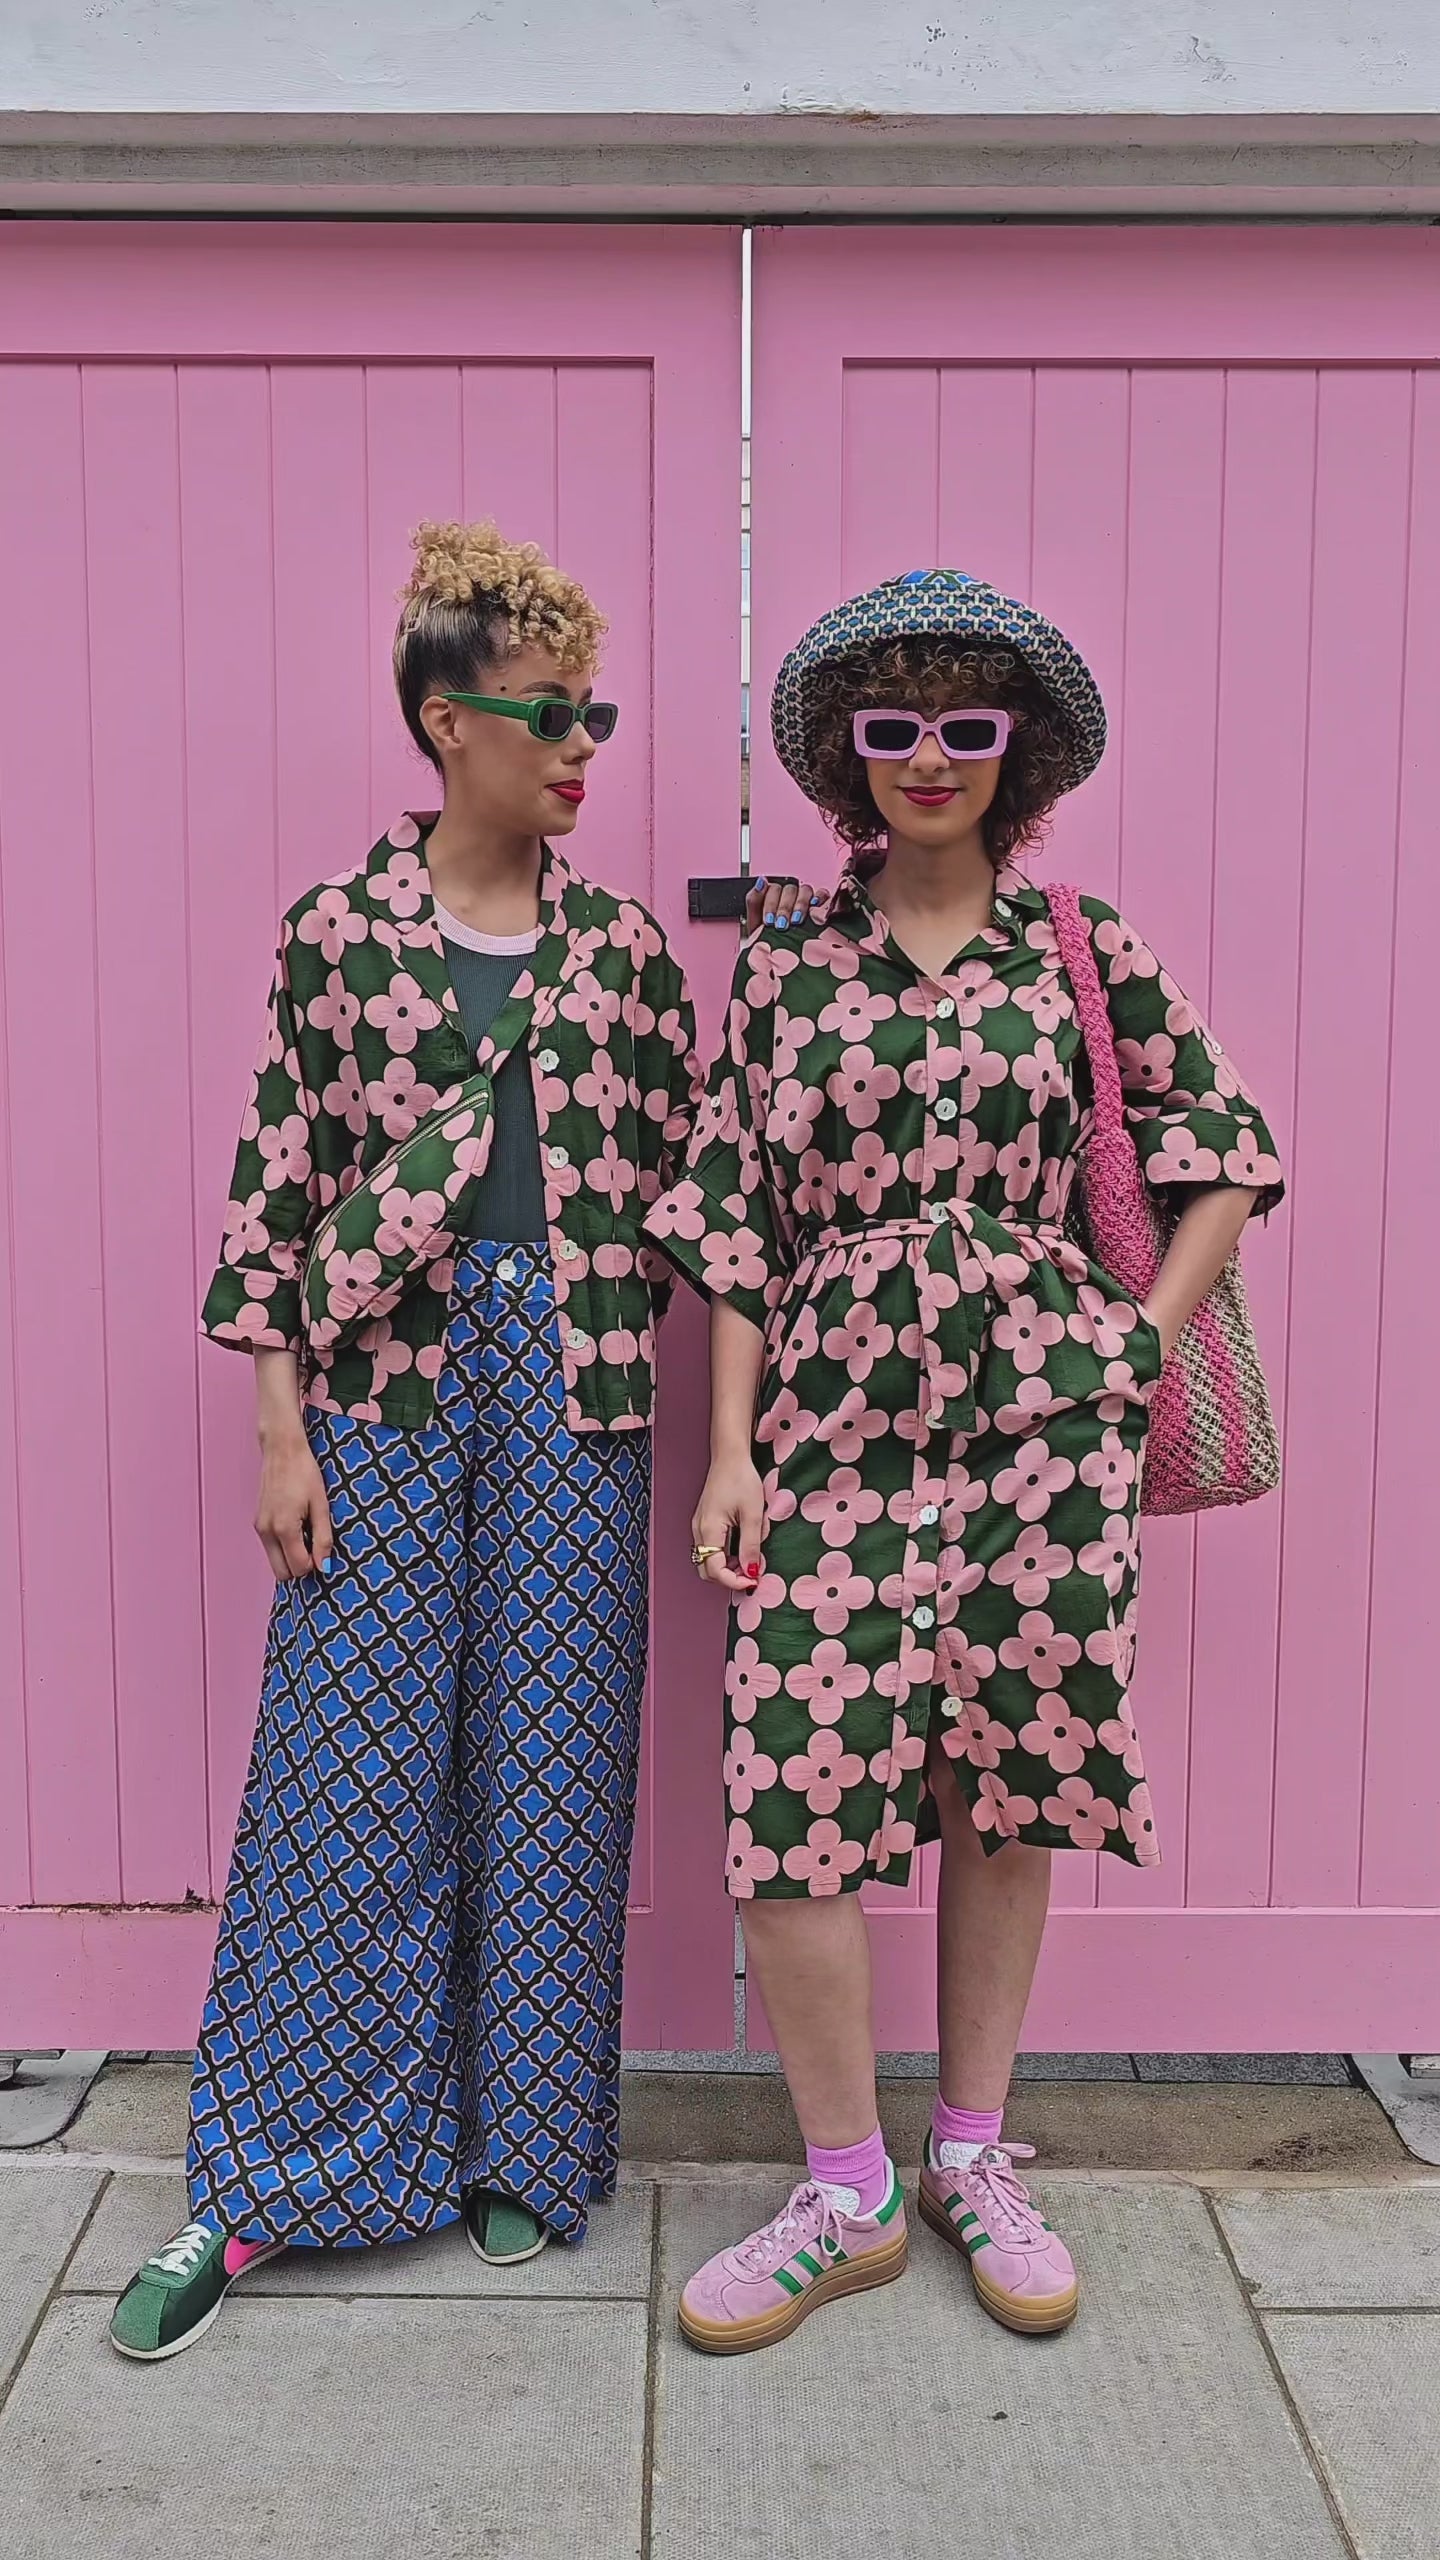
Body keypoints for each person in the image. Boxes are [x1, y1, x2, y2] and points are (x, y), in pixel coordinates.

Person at [110, 519, 814, 2360]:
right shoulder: (333, 940)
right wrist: (278, 1432)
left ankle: (529, 2147)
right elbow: (276, 1197)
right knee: (343, 1783)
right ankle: (263, 2179)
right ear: (447, 722)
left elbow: (709, 1197)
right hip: (383, 1395)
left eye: (594, 711)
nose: (583, 744)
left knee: (555, 1772)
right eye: (548, 711)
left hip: (581, 1391)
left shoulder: (627, 959)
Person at [645, 568, 1284, 2355]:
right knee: (793, 1792)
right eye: (894, 725)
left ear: (1023, 750)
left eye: (967, 723)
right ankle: (845, 2191)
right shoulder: (787, 964)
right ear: (850, 756)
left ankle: (974, 2160)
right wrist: (728, 1454)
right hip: (828, 1421)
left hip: (1043, 1428)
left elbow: (1225, 1143)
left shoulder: (1082, 946)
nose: (930, 755)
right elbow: (738, 1218)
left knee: (1011, 1779)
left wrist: (1137, 1341)